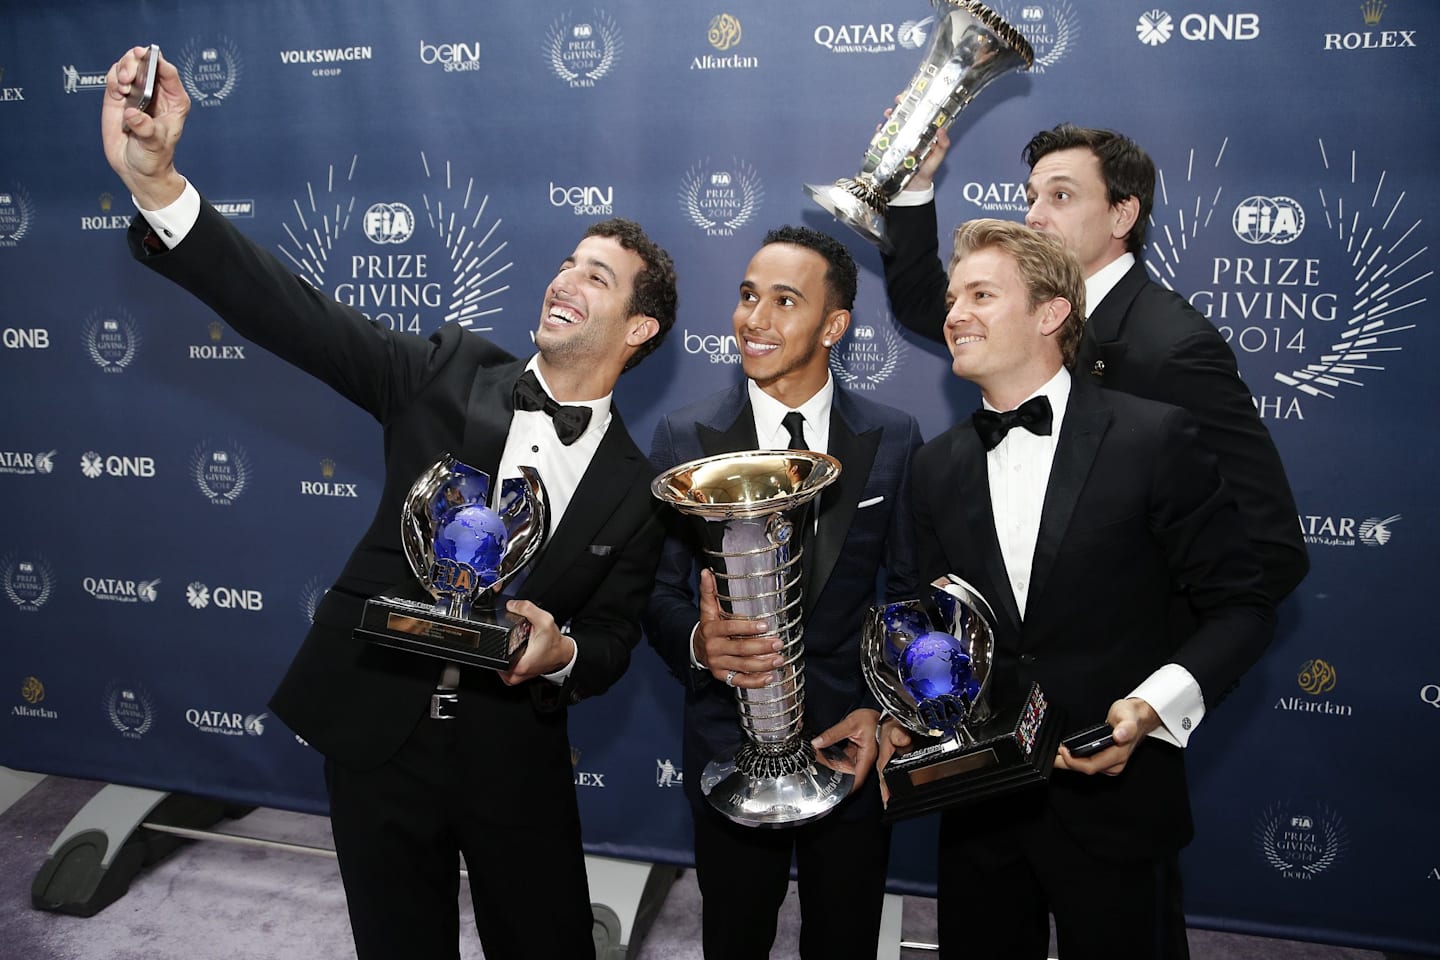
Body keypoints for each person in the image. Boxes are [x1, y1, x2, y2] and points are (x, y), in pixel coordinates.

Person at [102, 46, 677, 960]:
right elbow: (287, 311)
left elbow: (610, 643)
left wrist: (561, 648)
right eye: (567, 262)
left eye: (597, 277)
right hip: (376, 734)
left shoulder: (638, 488)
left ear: (639, 330)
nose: (564, 280)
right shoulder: (444, 371)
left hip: (513, 760)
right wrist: (162, 183)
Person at [882, 218, 1274, 958]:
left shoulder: (1153, 438)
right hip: (979, 808)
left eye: (981, 295)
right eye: (952, 297)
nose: (954, 313)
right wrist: (918, 703)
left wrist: (1152, 710)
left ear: (1051, 312)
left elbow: (1242, 607)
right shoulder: (935, 466)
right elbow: (917, 614)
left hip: (1118, 805)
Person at [644, 225, 922, 959]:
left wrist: (886, 717)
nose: (753, 319)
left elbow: (912, 596)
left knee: (845, 940)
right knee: (734, 938)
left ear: (834, 325)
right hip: (725, 748)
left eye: (784, 301)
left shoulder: (893, 438)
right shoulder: (684, 436)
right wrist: (702, 643)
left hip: (848, 744)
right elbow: (657, 594)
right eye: (745, 296)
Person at [883, 123, 1307, 604]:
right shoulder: (1012, 316)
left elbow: (1270, 547)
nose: (1034, 217)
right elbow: (921, 299)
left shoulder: (1172, 347)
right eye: (1032, 197)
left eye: (1060, 197)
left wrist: (1160, 664)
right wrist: (914, 184)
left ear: (1122, 215)